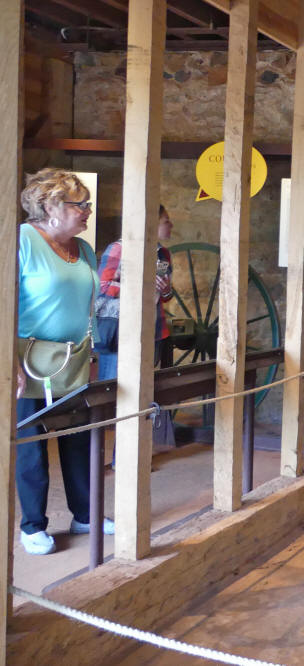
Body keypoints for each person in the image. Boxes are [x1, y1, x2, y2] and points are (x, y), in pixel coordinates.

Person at [16, 168, 114, 555]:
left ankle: (85, 515)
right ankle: (32, 526)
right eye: (81, 204)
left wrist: (90, 352)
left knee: (79, 438)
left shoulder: (84, 249)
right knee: (30, 443)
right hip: (28, 360)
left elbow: (88, 305)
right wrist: (9, 362)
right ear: (51, 206)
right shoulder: (22, 241)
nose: (88, 211)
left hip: (73, 358)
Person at [95, 205, 174, 380]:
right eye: (166, 222)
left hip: (154, 330)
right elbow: (102, 287)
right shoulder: (119, 249)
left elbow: (163, 296)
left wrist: (166, 290)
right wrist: (137, 288)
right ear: (152, 223)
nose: (171, 225)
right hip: (120, 331)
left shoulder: (163, 255)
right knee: (112, 390)